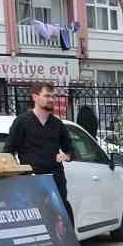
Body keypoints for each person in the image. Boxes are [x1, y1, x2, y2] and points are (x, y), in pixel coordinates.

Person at [5, 82, 73, 213]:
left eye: (53, 96)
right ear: (35, 97)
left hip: (55, 180)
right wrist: (17, 172)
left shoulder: (58, 124)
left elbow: (70, 150)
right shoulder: (22, 122)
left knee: (57, 218)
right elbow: (9, 150)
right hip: (31, 180)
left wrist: (66, 155)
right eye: (47, 96)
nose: (51, 100)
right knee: (36, 218)